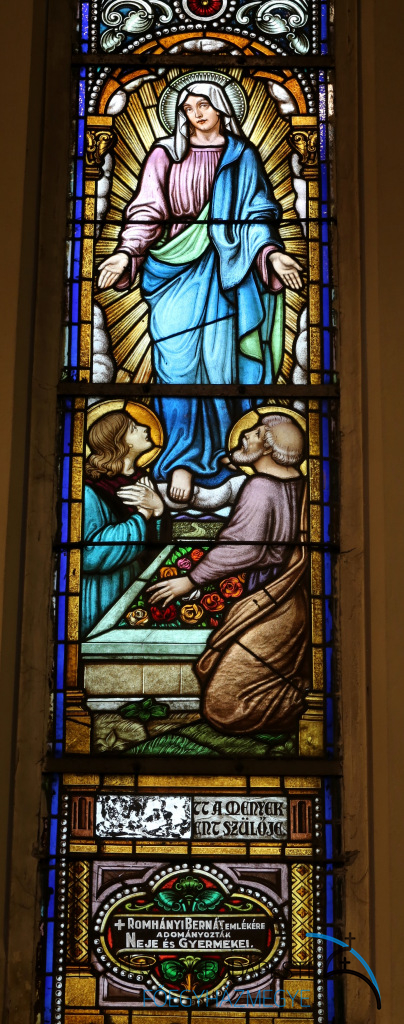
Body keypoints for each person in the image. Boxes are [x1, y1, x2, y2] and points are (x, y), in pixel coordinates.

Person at [97, 78, 303, 504]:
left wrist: (271, 254)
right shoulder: (165, 154)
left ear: (222, 106)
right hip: (172, 271)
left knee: (221, 366)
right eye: (188, 107)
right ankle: (181, 457)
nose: (196, 113)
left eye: (203, 104)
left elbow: (257, 213)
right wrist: (126, 252)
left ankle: (221, 454)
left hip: (226, 271)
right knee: (175, 364)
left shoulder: (241, 155)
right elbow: (147, 209)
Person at [147, 412, 309, 734]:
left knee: (224, 703)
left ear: (269, 446)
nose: (245, 434)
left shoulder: (261, 487)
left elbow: (244, 548)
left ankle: (298, 706)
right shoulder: (299, 484)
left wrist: (190, 580)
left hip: (270, 597)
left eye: (256, 432)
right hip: (291, 594)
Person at [82, 410, 163, 636]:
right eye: (134, 428)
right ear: (120, 443)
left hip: (137, 580)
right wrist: (143, 515)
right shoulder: (91, 489)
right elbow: (92, 553)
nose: (145, 428)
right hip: (103, 588)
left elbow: (158, 544)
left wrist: (159, 509)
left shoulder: (142, 480)